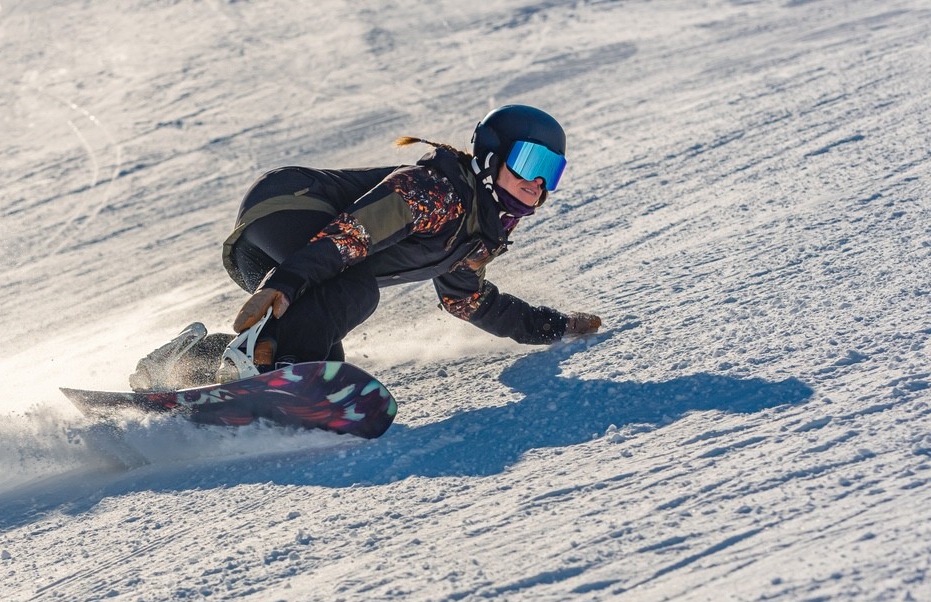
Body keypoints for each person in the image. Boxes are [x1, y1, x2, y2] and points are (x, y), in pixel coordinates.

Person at [129, 104, 601, 391]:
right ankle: (272, 368)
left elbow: (467, 300)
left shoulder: (476, 237)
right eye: (529, 161)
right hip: (286, 210)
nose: (537, 183)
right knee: (354, 291)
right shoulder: (437, 191)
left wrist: (549, 326)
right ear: (492, 157)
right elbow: (354, 235)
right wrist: (288, 281)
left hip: (297, 260)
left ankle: (183, 364)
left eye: (551, 172)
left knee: (322, 363)